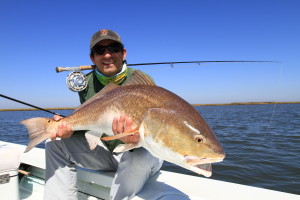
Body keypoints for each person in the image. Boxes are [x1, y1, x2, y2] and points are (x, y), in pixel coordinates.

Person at [45, 29, 163, 200]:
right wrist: (67, 126)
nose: (107, 55)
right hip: (105, 152)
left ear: (124, 53)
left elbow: (156, 128)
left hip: (138, 152)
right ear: (92, 58)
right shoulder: (86, 83)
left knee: (138, 155)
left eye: (113, 49)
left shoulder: (142, 80)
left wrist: (136, 140)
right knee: (53, 143)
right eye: (100, 51)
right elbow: (91, 121)